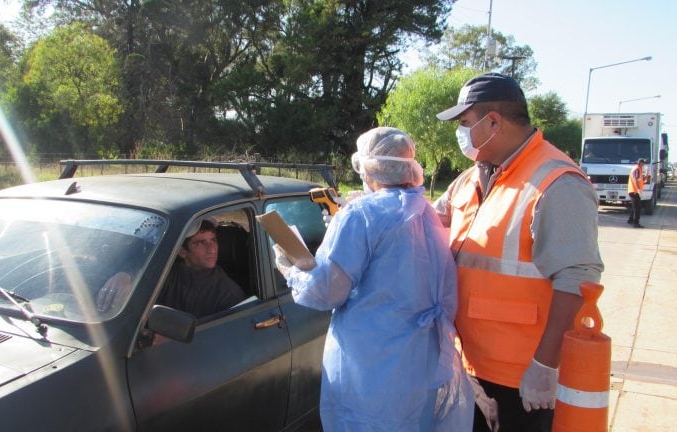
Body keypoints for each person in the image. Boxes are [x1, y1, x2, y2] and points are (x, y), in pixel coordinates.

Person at [433, 73, 604, 432]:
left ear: (493, 122)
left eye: (465, 123)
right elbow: (430, 221)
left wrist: (544, 366)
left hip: (522, 378)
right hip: (471, 366)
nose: (461, 134)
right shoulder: (470, 179)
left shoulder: (556, 182)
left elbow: (577, 280)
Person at [274, 127, 472, 431]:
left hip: (371, 365)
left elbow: (327, 292)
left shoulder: (361, 215)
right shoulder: (423, 210)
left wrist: (291, 270)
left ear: (368, 167)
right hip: (418, 357)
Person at [158, 219, 246, 317]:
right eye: (200, 243)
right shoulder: (165, 276)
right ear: (182, 252)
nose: (212, 250)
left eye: (213, 240)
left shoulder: (229, 295)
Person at [628, 158, 646, 228]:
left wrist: (646, 175)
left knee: (634, 207)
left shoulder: (638, 169)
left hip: (634, 191)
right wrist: (638, 189)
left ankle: (630, 220)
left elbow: (640, 180)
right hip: (634, 191)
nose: (643, 165)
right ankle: (636, 223)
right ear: (640, 163)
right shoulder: (637, 169)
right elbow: (635, 179)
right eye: (643, 163)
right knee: (637, 208)